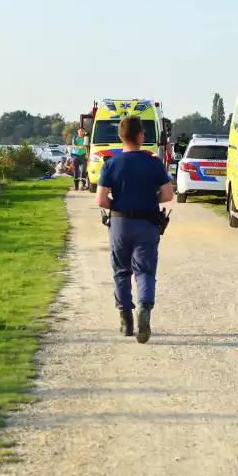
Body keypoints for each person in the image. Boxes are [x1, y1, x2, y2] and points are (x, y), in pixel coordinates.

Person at [96, 116, 175, 343]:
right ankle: (144, 307)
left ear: (120, 137)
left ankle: (126, 322)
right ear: (141, 136)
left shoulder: (110, 164)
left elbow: (101, 200)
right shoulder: (153, 163)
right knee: (145, 271)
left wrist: (118, 206)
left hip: (120, 224)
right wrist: (151, 200)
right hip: (148, 223)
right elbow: (168, 195)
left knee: (121, 271)